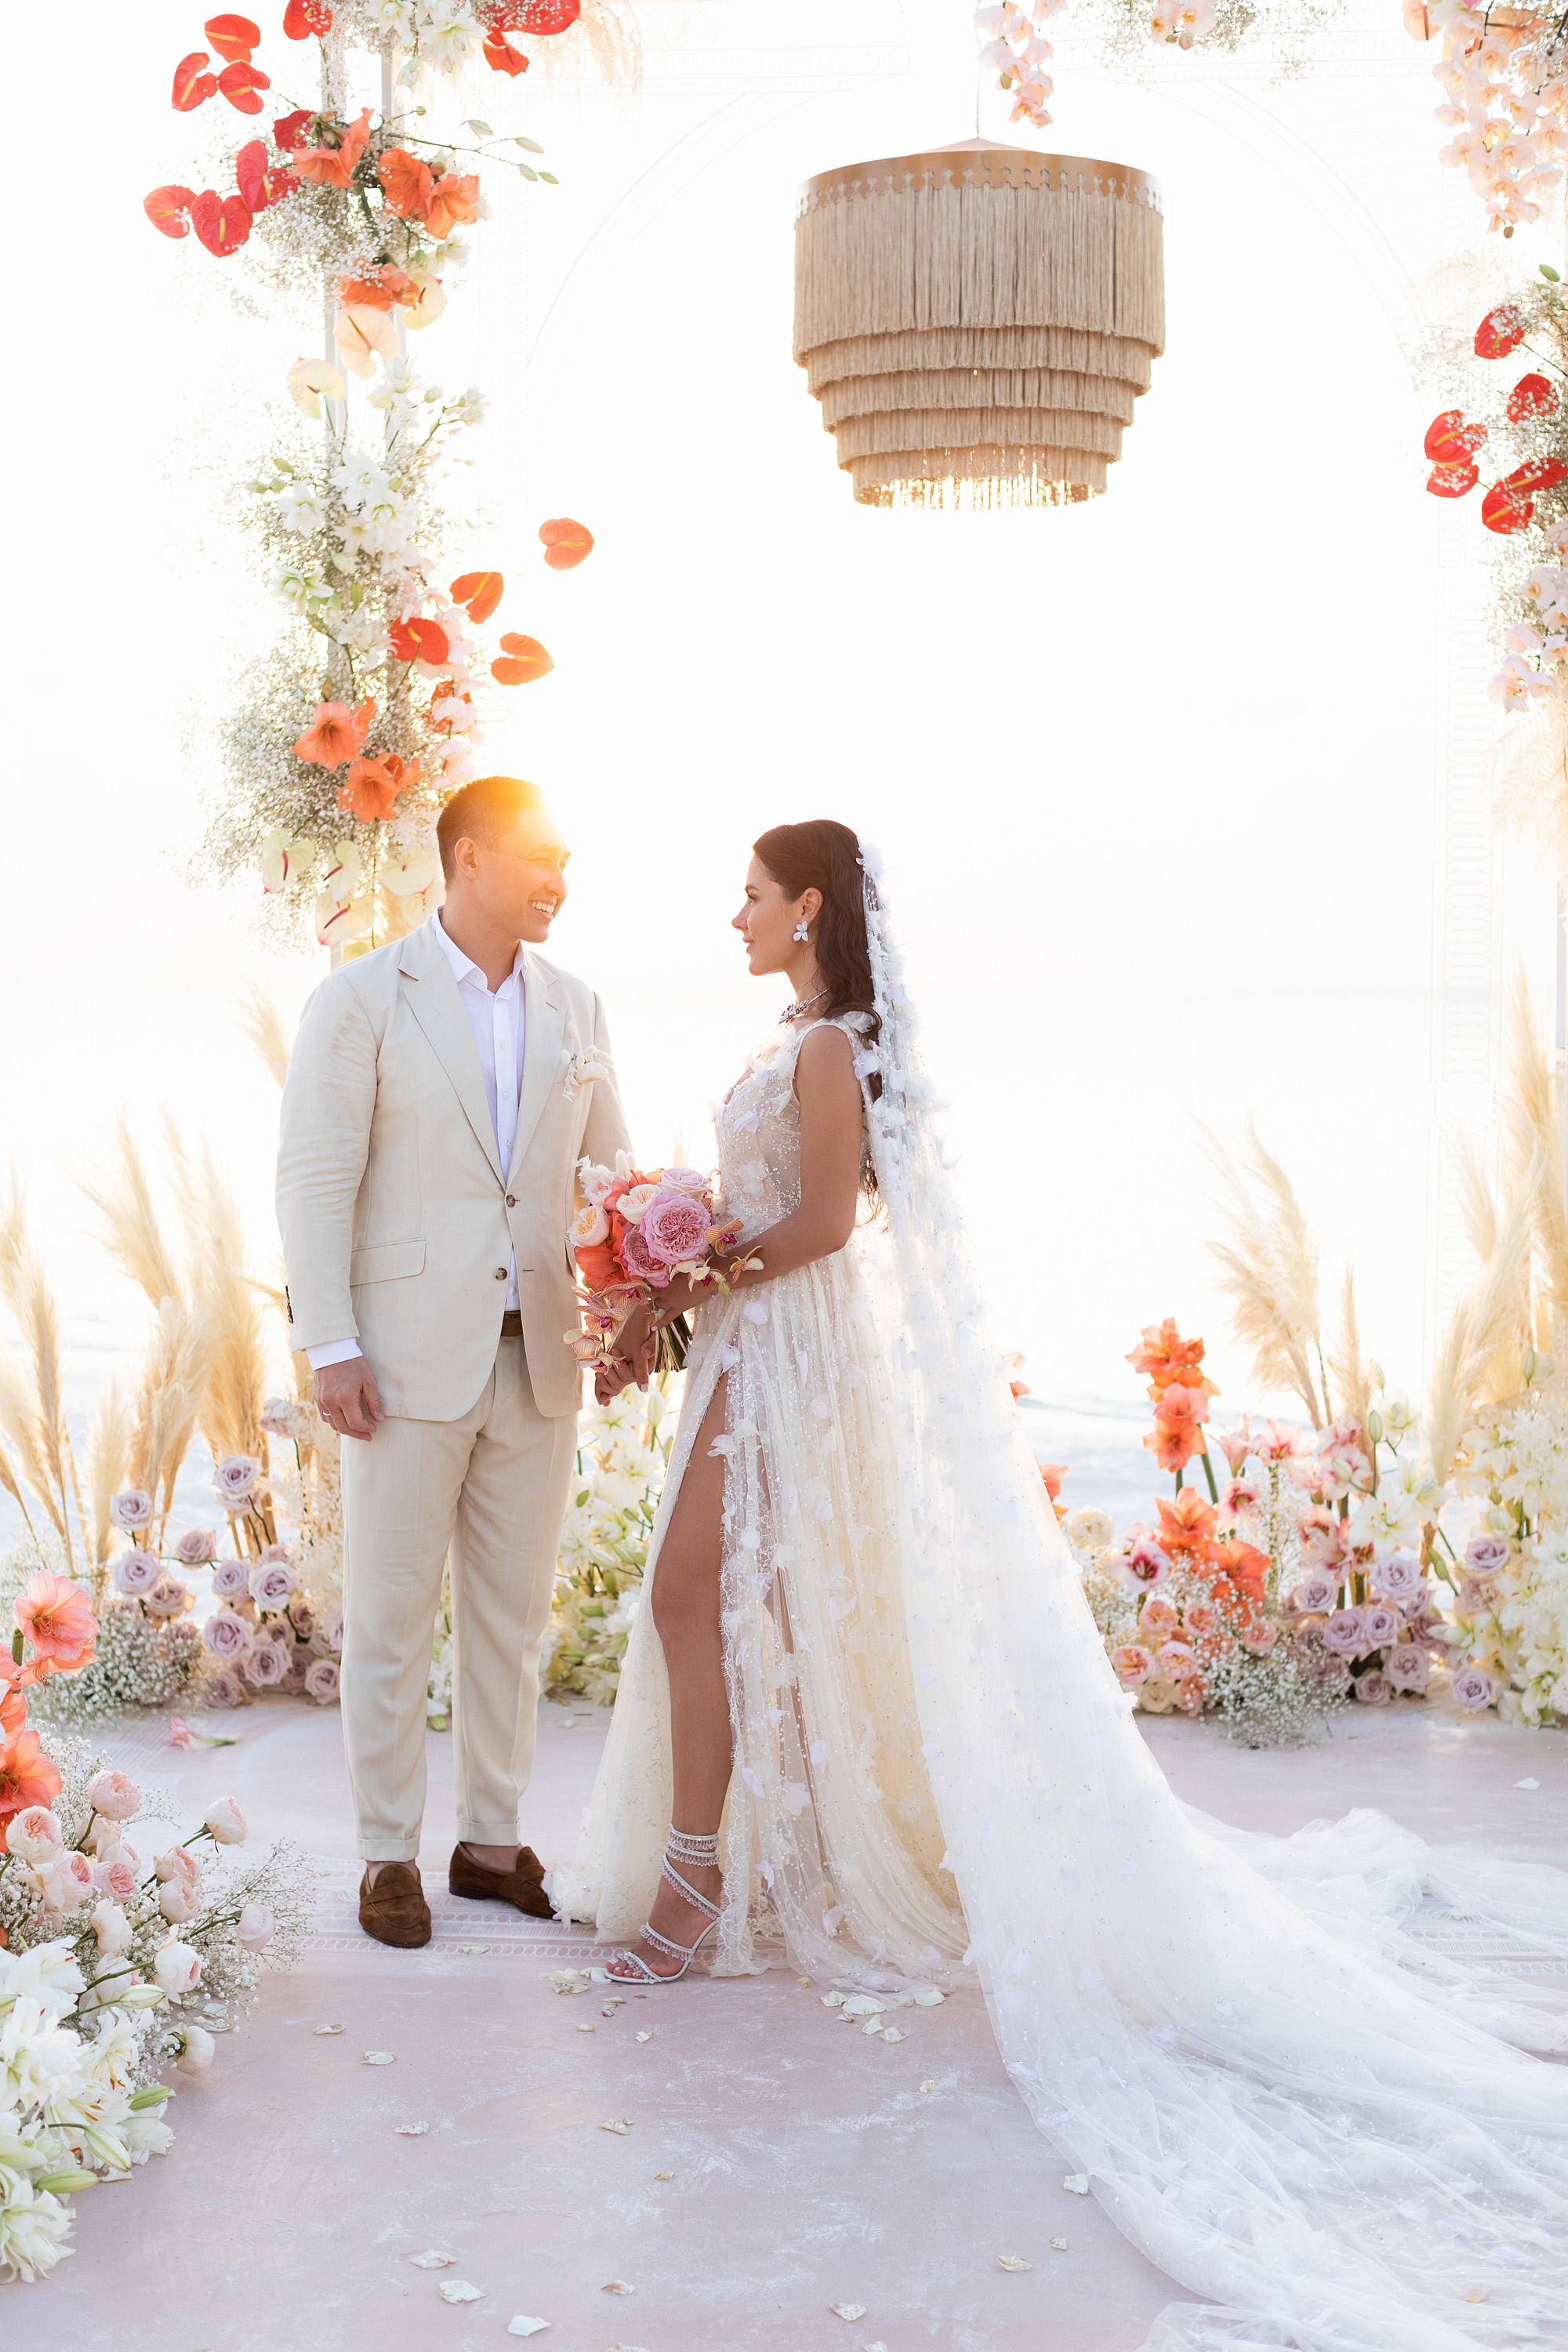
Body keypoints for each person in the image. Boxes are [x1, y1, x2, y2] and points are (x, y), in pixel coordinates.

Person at [555, 819, 1568, 2350]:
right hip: (758, 1352)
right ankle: (745, 1864)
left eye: (751, 895)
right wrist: (661, 1271)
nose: (734, 915)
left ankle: (701, 1885)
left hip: (796, 1357)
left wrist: (687, 1273)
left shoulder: (828, 1046)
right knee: (726, 1610)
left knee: (697, 1602)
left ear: (808, 905)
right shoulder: (792, 1037)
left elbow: (822, 1223)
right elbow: (776, 1210)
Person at [277, 775, 632, 1949]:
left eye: (566, 861)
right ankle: (387, 1853)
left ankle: (489, 1841)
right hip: (401, 1362)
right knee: (388, 1620)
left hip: (542, 1358)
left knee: (512, 1622)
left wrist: (633, 1304)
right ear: (468, 857)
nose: (558, 881)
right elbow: (315, 1180)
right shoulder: (361, 997)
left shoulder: (578, 1005)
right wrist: (332, 1345)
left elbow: (609, 1178)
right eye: (539, 857)